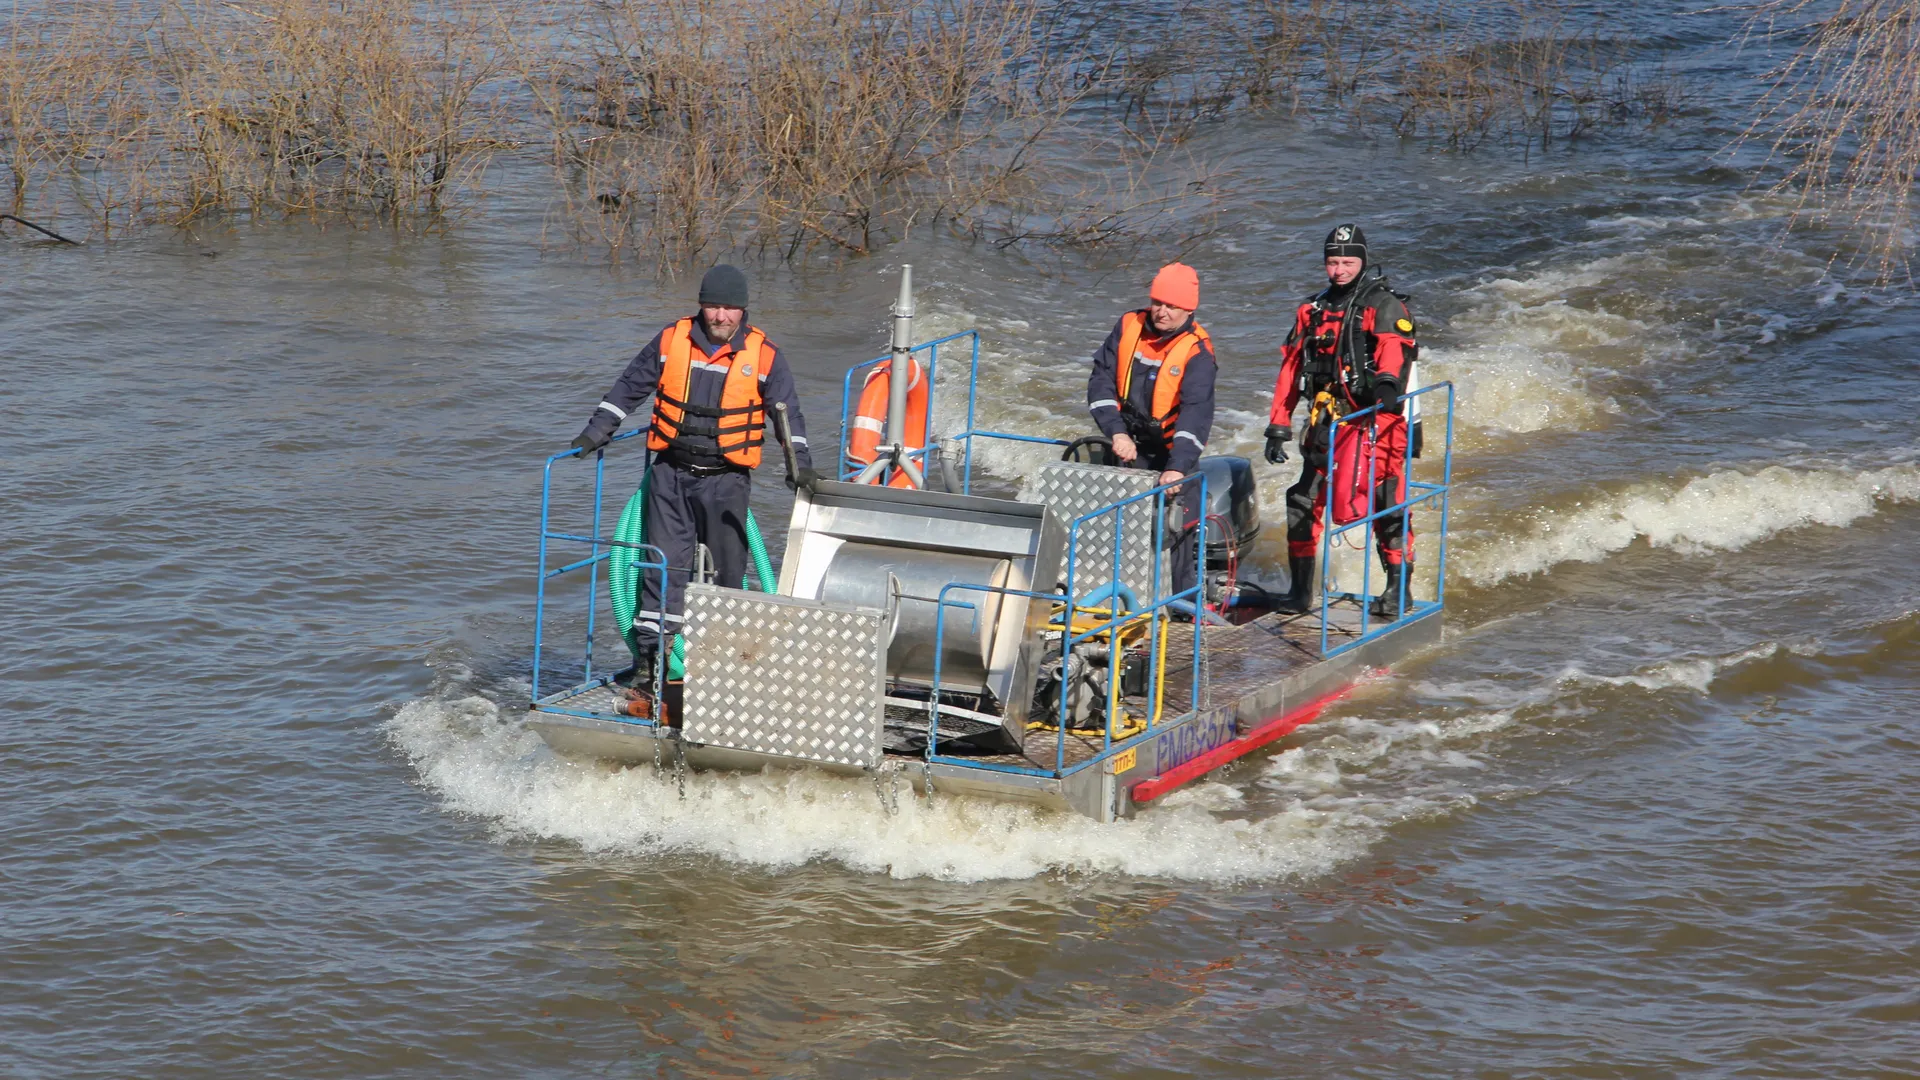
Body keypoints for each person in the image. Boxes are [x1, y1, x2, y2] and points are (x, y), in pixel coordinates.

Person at [569, 264, 816, 688]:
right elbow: (628, 388)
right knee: (662, 569)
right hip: (670, 476)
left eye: (729, 308)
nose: (720, 316)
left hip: (727, 480)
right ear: (701, 306)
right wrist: (595, 432)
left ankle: (724, 666)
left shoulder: (765, 356)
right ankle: (652, 664)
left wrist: (800, 466)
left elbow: (787, 415)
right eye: (712, 306)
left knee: (728, 573)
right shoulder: (671, 340)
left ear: (743, 310)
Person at [1264, 224, 1416, 619]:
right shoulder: (1311, 310)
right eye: (1333, 262)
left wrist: (1387, 385)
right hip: (1326, 423)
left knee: (1387, 503)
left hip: (1375, 422)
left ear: (1362, 261)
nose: (1340, 270)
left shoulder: (1382, 305)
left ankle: (1398, 590)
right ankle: (1300, 591)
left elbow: (1394, 349)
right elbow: (1290, 368)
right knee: (1301, 501)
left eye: (1348, 262)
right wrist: (1278, 426)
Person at [1086, 262, 1217, 599]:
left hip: (1173, 457)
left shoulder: (1198, 352)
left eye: (1172, 306)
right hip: (1126, 446)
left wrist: (1177, 468)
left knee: (1175, 539)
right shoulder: (1128, 326)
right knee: (1115, 534)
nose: (1162, 311)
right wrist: (1116, 432)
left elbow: (1196, 414)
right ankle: (1115, 601)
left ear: (1189, 309)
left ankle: (1181, 608)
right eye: (1158, 302)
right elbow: (1101, 380)